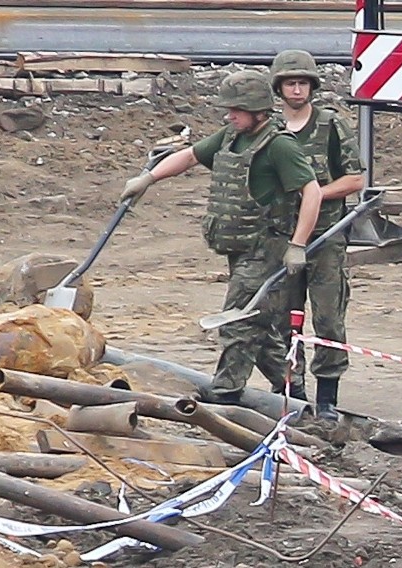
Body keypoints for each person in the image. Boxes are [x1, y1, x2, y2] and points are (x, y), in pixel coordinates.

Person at [119, 69, 323, 404]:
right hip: (239, 245)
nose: (229, 115)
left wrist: (297, 245)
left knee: (237, 322)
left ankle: (226, 392)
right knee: (257, 324)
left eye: (236, 110)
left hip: (266, 246)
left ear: (257, 110)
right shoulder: (232, 136)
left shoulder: (280, 145)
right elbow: (190, 156)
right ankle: (291, 386)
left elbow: (311, 192)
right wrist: (148, 179)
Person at [261, 49, 366, 421]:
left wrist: (316, 192)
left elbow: (356, 178)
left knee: (328, 319)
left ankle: (327, 399)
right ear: (279, 87)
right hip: (280, 238)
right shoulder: (268, 130)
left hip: (325, 240)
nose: (296, 89)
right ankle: (293, 392)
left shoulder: (330, 125)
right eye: (290, 83)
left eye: (303, 82)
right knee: (280, 319)